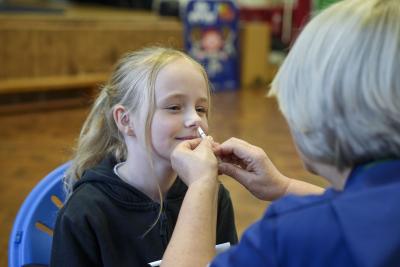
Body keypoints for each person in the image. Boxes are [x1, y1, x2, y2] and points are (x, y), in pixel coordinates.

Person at [161, 0, 400, 266]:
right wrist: (283, 187)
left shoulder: (290, 237)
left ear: (314, 114)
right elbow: (368, 210)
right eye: (173, 107)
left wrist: (200, 185)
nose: (194, 120)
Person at [50, 47, 238, 266]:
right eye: (175, 107)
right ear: (126, 120)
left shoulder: (212, 195)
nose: (194, 119)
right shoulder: (86, 212)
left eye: (201, 108)